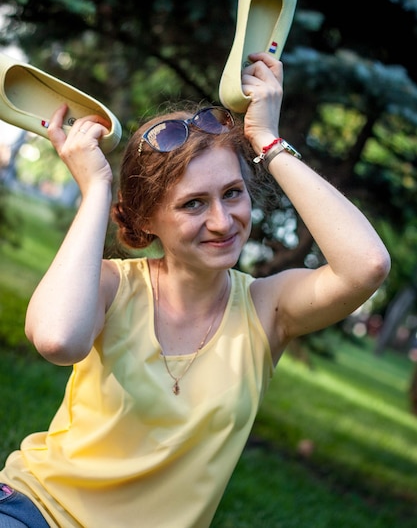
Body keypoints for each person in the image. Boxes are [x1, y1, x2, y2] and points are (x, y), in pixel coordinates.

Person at [0, 52, 390, 528]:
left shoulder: (269, 309)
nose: (222, 222)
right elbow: (57, 339)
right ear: (147, 220)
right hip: (35, 512)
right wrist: (96, 189)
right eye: (192, 204)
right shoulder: (110, 285)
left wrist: (266, 140)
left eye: (232, 193)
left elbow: (366, 265)